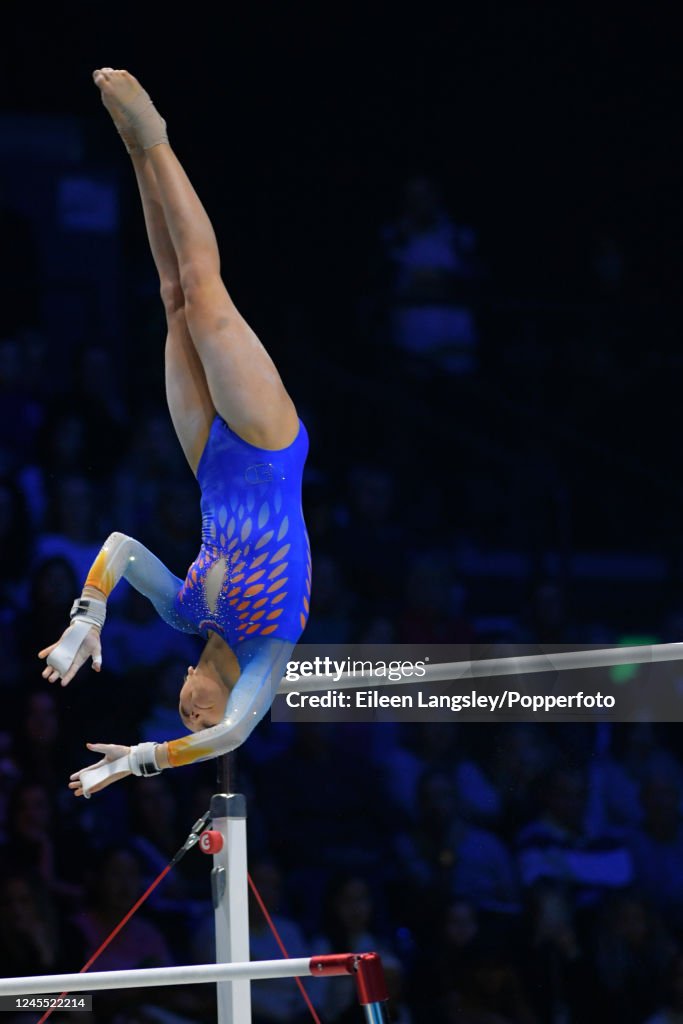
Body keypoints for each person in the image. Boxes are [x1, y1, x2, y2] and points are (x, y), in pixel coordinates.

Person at [38, 69, 312, 797]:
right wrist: (146, 758)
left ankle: (135, 152)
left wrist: (87, 619)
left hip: (209, 462)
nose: (190, 713)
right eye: (200, 718)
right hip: (265, 446)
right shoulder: (267, 654)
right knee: (202, 289)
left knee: (170, 300)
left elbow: (120, 548)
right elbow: (229, 735)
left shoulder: (184, 612)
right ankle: (155, 134)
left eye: (179, 717)